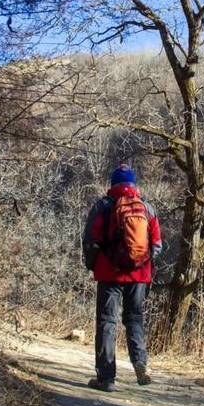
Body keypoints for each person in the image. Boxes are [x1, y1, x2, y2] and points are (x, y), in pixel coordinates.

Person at [82, 163, 162, 392]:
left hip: (109, 274)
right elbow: (157, 244)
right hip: (139, 276)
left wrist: (92, 265)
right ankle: (140, 363)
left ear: (113, 183)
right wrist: (141, 262)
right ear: (134, 184)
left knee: (107, 322)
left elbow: (91, 240)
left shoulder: (103, 206)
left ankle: (106, 377)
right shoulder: (146, 208)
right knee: (134, 319)